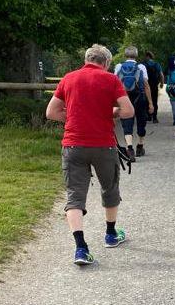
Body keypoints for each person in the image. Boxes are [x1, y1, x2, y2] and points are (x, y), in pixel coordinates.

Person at [46, 44, 134, 265]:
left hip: (73, 145)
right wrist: (109, 112)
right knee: (110, 187)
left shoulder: (68, 78)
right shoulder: (111, 80)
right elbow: (128, 111)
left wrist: (76, 116)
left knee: (75, 195)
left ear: (87, 59)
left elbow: (51, 112)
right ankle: (111, 234)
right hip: (103, 144)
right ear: (106, 63)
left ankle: (81, 248)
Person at [114, 46, 154, 161]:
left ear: (125, 55)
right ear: (136, 55)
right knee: (141, 121)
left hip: (124, 98)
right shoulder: (141, 67)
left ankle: (129, 148)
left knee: (127, 122)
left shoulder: (119, 66)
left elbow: (115, 84)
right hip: (139, 97)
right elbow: (146, 85)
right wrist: (150, 103)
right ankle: (140, 146)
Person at [143, 51, 165, 122]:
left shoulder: (144, 64)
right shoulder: (156, 64)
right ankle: (155, 118)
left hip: (146, 85)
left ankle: (149, 116)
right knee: (154, 101)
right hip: (154, 85)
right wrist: (162, 83)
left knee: (147, 101)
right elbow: (161, 75)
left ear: (147, 56)